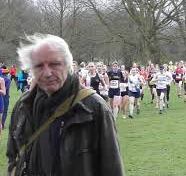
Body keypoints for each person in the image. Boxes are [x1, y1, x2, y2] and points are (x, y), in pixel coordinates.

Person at [7, 34, 124, 175]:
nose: (47, 73)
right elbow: (13, 158)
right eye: (39, 66)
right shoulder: (23, 105)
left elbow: (112, 169)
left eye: (54, 64)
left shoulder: (94, 108)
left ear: (68, 65)